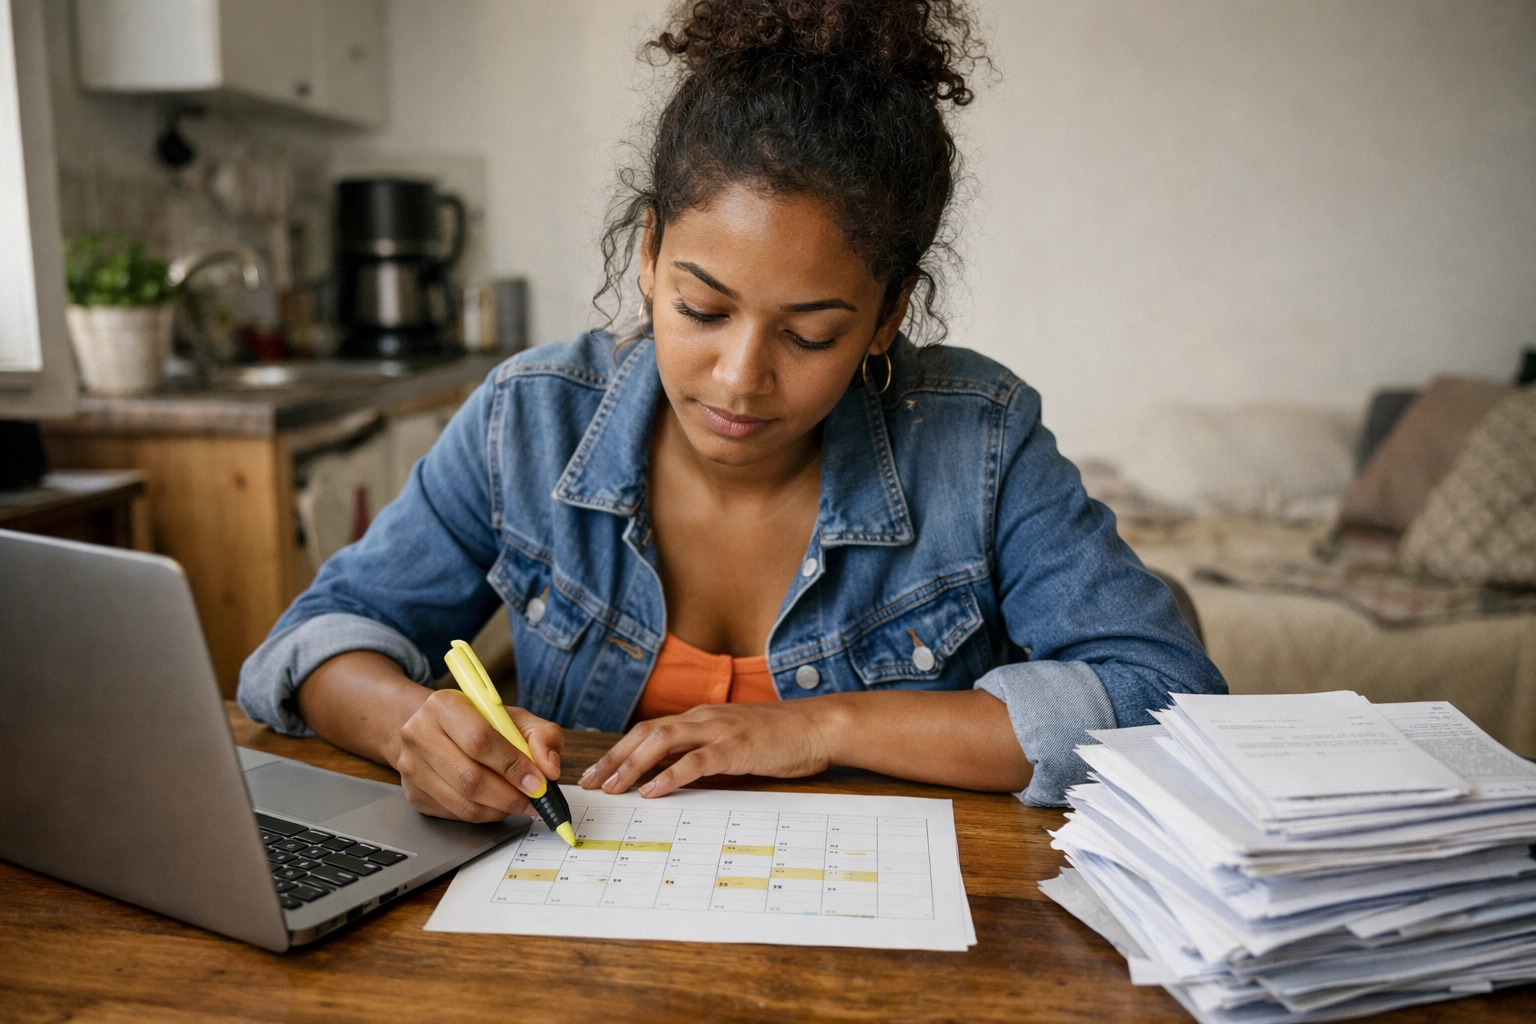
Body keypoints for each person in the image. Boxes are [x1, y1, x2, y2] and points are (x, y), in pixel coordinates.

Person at [239, 0, 1224, 825]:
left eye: (809, 334)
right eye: (702, 310)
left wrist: (819, 727)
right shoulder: (529, 422)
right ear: (650, 254)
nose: (740, 378)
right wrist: (409, 725)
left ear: (887, 314)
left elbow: (1169, 699)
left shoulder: (979, 441)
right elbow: (316, 639)